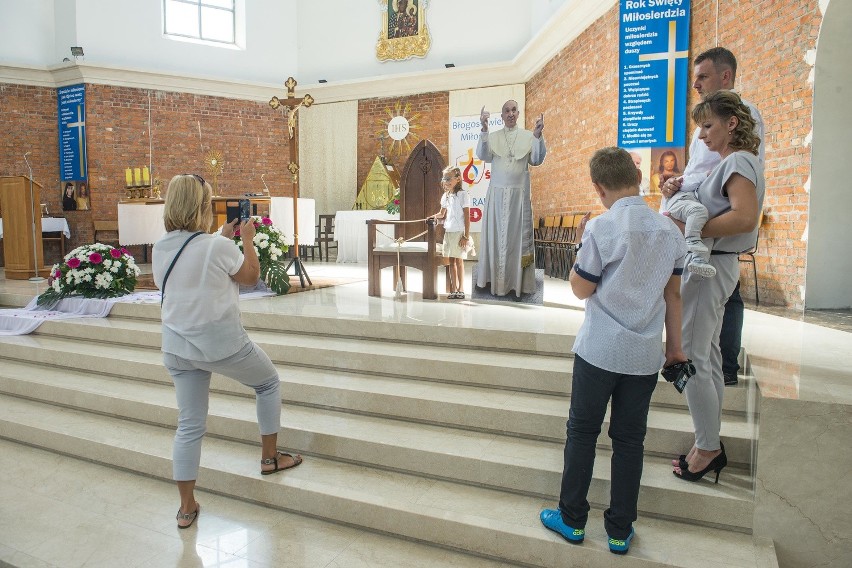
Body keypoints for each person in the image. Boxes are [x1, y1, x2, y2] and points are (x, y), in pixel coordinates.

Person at [540, 147, 687, 555]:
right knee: (629, 441)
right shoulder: (669, 230)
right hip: (643, 356)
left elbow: (580, 287)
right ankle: (620, 530)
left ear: (599, 188)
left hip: (600, 351)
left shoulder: (602, 228)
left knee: (582, 433)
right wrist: (674, 349)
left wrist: (577, 252)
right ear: (637, 180)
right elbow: (674, 296)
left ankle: (571, 520)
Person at [152, 174, 302, 529]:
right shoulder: (216, 247)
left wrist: (223, 238)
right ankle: (269, 458)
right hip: (219, 343)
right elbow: (250, 276)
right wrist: (246, 241)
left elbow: (192, 270)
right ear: (202, 206)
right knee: (268, 383)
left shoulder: (161, 247)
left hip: (177, 345)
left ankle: (186, 507)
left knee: (189, 424)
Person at [667, 90, 764, 483]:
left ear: (732, 124)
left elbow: (745, 218)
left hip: (713, 265)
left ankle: (708, 448)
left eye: (708, 126)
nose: (702, 135)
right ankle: (708, 441)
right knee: (704, 355)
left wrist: (692, 230)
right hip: (714, 264)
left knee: (689, 354)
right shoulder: (727, 163)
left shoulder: (739, 160)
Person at [662, 47, 765, 387]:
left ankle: (708, 437)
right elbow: (698, 170)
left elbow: (736, 178)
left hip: (715, 236)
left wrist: (693, 226)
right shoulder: (704, 125)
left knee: (696, 351)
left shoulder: (742, 122)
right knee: (702, 349)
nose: (696, 85)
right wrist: (677, 184)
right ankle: (708, 431)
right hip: (699, 223)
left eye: (702, 77)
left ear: (725, 76)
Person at [475, 100, 546, 297]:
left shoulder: (528, 136)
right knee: (496, 237)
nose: (511, 113)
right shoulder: (494, 136)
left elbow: (537, 160)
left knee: (516, 240)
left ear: (518, 113)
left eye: (514, 110)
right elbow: (482, 155)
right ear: (502, 115)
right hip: (496, 197)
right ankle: (494, 282)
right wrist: (484, 130)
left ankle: (518, 285)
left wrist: (538, 135)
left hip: (518, 198)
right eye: (506, 110)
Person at [431, 165, 472, 299]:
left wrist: (465, 235)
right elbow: (442, 213)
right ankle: (453, 289)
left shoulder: (463, 195)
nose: (446, 181)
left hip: (459, 232)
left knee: (459, 261)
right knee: (451, 262)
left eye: (448, 178)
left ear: (458, 179)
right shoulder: (446, 196)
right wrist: (433, 217)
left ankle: (461, 289)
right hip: (448, 232)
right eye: (444, 178)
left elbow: (467, 216)